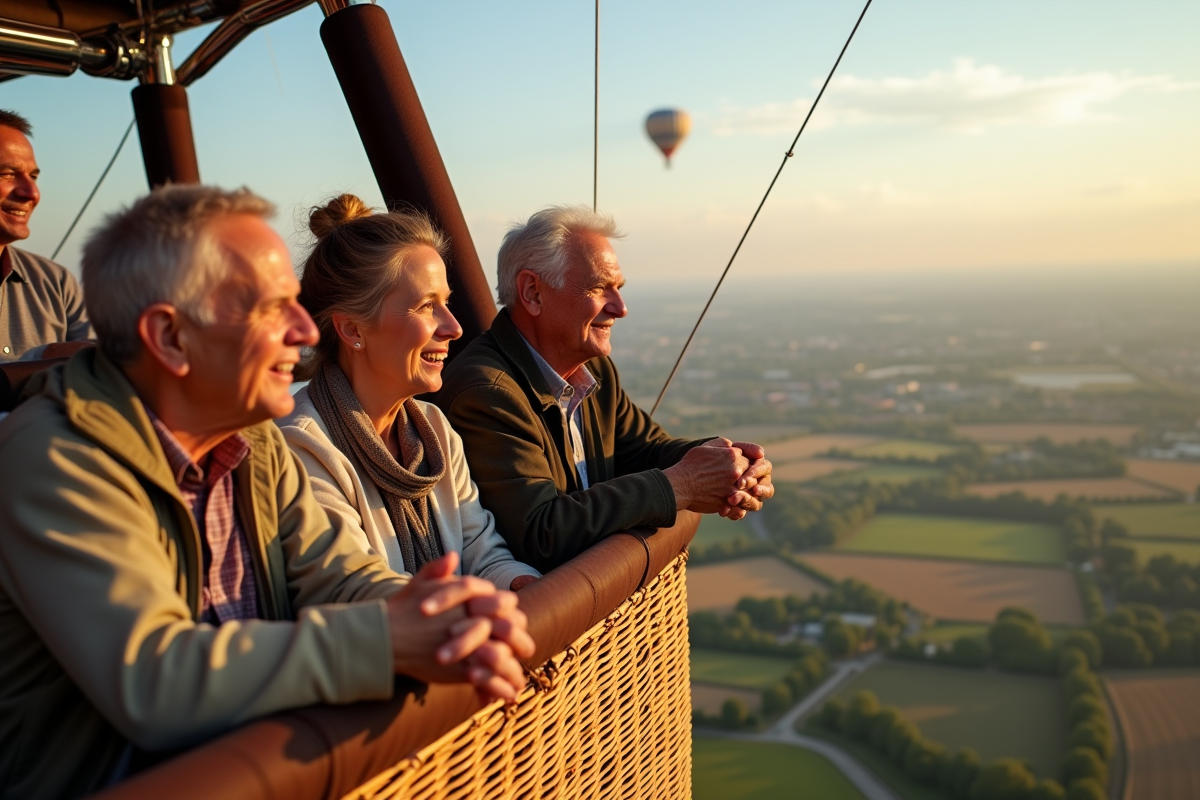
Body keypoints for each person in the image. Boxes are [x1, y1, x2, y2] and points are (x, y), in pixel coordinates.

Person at [0, 185, 533, 800]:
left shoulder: (254, 441)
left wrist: (446, 616)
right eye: (270, 307)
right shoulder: (54, 456)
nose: (304, 329)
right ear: (171, 337)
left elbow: (337, 575)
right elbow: (153, 678)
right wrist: (389, 639)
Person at [436, 205, 774, 572]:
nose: (621, 308)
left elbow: (645, 450)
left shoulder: (592, 370)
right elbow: (539, 534)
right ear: (532, 292)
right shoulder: (487, 392)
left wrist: (729, 464)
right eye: (599, 288)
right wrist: (685, 484)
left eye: (619, 289)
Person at [278, 195, 540, 592]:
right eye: (425, 306)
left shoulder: (433, 429)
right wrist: (482, 612)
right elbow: (357, 589)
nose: (453, 326)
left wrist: (531, 590)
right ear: (352, 330)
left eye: (446, 303)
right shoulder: (301, 447)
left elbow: (481, 552)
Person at [0, 109, 93, 362]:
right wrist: (41, 357)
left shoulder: (58, 283)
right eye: (8, 174)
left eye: (33, 177)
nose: (32, 193)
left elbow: (105, 376)